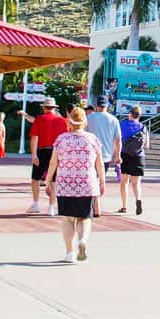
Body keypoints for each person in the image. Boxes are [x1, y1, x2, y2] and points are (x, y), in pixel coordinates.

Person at [44, 106, 103, 263]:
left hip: (66, 184)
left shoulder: (61, 139)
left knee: (68, 220)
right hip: (87, 183)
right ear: (84, 122)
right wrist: (102, 182)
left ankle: (70, 253)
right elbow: (100, 164)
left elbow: (53, 162)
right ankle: (82, 240)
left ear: (69, 122)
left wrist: (48, 180)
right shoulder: (93, 139)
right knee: (84, 218)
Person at [27, 97, 66, 215]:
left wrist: (34, 155)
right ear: (54, 108)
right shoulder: (61, 120)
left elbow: (35, 137)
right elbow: (63, 139)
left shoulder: (39, 119)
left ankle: (36, 203)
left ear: (44, 108)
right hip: (56, 152)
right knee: (54, 181)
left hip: (42, 151)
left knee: (35, 179)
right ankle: (51, 207)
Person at [84, 96, 121, 216]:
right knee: (100, 179)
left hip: (90, 155)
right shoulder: (113, 120)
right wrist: (118, 155)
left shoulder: (89, 118)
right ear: (107, 106)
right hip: (106, 156)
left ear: (96, 105)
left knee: (90, 180)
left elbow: (83, 135)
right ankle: (97, 205)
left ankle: (92, 205)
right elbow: (118, 139)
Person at [118, 105, 147, 214]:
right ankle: (138, 200)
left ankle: (124, 206)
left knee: (124, 181)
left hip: (125, 155)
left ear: (130, 114)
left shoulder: (122, 125)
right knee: (136, 182)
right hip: (139, 156)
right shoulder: (143, 127)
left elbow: (118, 140)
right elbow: (146, 144)